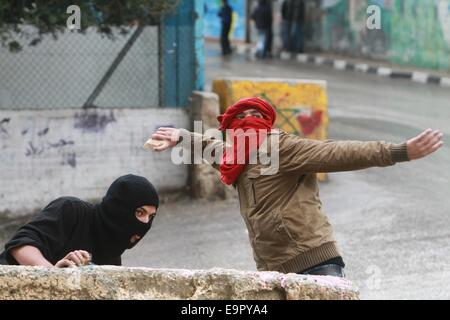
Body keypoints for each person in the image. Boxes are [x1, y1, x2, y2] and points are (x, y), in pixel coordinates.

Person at [149, 97, 443, 277]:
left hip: (315, 264)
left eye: (245, 126)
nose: (239, 134)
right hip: (273, 271)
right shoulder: (235, 158)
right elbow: (211, 146)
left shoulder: (281, 147)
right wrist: (180, 136)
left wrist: (399, 152)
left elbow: (336, 153)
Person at [0, 174, 159, 267]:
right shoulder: (71, 210)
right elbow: (20, 246)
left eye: (151, 216)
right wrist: (52, 273)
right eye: (140, 212)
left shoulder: (112, 258)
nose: (145, 223)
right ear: (118, 207)